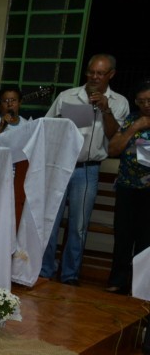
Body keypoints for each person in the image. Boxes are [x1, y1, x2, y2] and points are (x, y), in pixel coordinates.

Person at [40, 54, 129, 285]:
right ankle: (44, 271)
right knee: (50, 221)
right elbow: (47, 129)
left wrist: (106, 110)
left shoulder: (120, 102)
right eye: (91, 72)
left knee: (78, 226)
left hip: (87, 170)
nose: (94, 77)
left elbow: (114, 138)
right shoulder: (67, 96)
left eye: (100, 73)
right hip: (60, 166)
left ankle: (70, 275)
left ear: (111, 75)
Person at [105, 79, 150, 295]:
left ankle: (140, 286)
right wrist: (135, 128)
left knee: (146, 239)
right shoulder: (132, 119)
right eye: (141, 101)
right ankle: (118, 280)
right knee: (123, 236)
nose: (146, 105)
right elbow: (113, 149)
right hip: (127, 187)